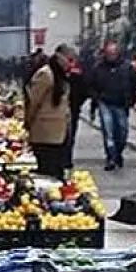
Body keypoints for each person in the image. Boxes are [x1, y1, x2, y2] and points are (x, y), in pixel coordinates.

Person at [88, 40, 136, 171]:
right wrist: (96, 100)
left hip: (122, 103)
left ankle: (118, 153)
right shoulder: (98, 67)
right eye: (109, 53)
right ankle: (111, 157)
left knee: (122, 131)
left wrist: (134, 99)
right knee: (108, 130)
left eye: (114, 53)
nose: (112, 55)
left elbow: (135, 83)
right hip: (105, 102)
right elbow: (92, 85)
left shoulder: (127, 67)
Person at [24, 51, 71, 180]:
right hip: (44, 129)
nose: (69, 64)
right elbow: (34, 100)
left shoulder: (61, 75)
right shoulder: (45, 74)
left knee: (55, 166)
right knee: (47, 167)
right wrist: (28, 121)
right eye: (68, 60)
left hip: (58, 129)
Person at [54, 45, 89, 177]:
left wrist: (77, 103)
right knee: (63, 136)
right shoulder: (56, 73)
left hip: (72, 109)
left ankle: (66, 159)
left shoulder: (76, 74)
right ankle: (63, 159)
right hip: (61, 110)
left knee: (70, 135)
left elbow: (84, 89)